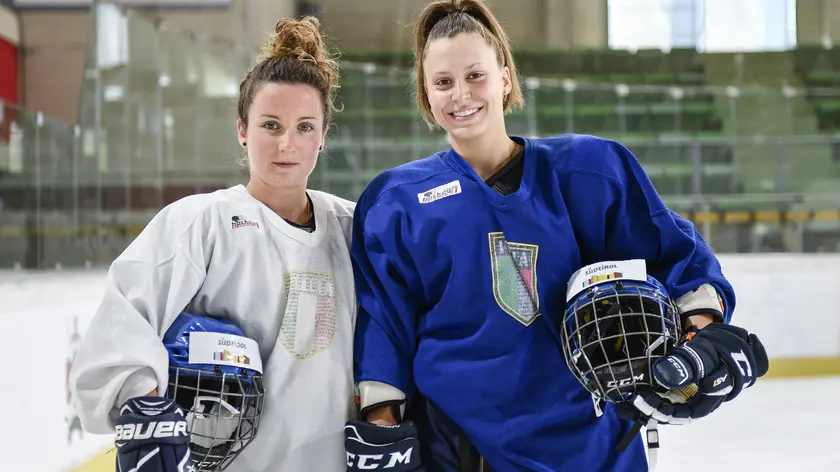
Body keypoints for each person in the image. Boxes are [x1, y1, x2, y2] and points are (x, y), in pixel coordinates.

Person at [344, 1, 768, 471]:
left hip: (596, 443)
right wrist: (382, 424)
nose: (460, 94)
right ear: (426, 94)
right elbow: (385, 323)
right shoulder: (396, 202)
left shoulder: (590, 172)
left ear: (505, 77)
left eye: (475, 75)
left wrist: (703, 333)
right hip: (463, 446)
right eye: (443, 82)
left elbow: (677, 259)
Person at [69, 16, 357, 472]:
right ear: (242, 129)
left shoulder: (352, 228)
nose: (287, 143)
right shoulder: (202, 223)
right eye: (270, 124)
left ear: (323, 135)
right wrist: (146, 410)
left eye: (305, 126)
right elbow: (122, 321)